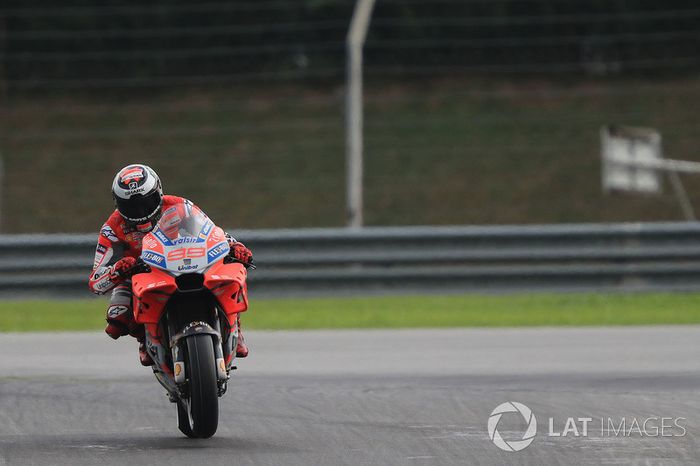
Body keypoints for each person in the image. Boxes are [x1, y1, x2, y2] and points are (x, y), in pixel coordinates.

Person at [88, 163, 253, 366]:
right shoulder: (111, 229)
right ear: (117, 204)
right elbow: (96, 281)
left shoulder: (180, 205)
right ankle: (145, 337)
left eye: (146, 202)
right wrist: (119, 269)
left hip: (188, 261)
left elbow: (212, 232)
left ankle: (234, 326)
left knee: (229, 276)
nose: (140, 211)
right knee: (118, 317)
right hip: (142, 274)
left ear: (158, 192)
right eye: (130, 206)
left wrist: (235, 246)